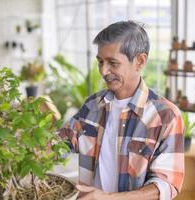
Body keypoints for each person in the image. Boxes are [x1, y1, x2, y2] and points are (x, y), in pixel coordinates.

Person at [58, 21, 184, 200]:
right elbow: (61, 142)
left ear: (140, 61)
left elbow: (165, 186)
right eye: (100, 62)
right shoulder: (92, 105)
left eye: (112, 63)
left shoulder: (166, 116)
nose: (103, 71)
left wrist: (106, 198)